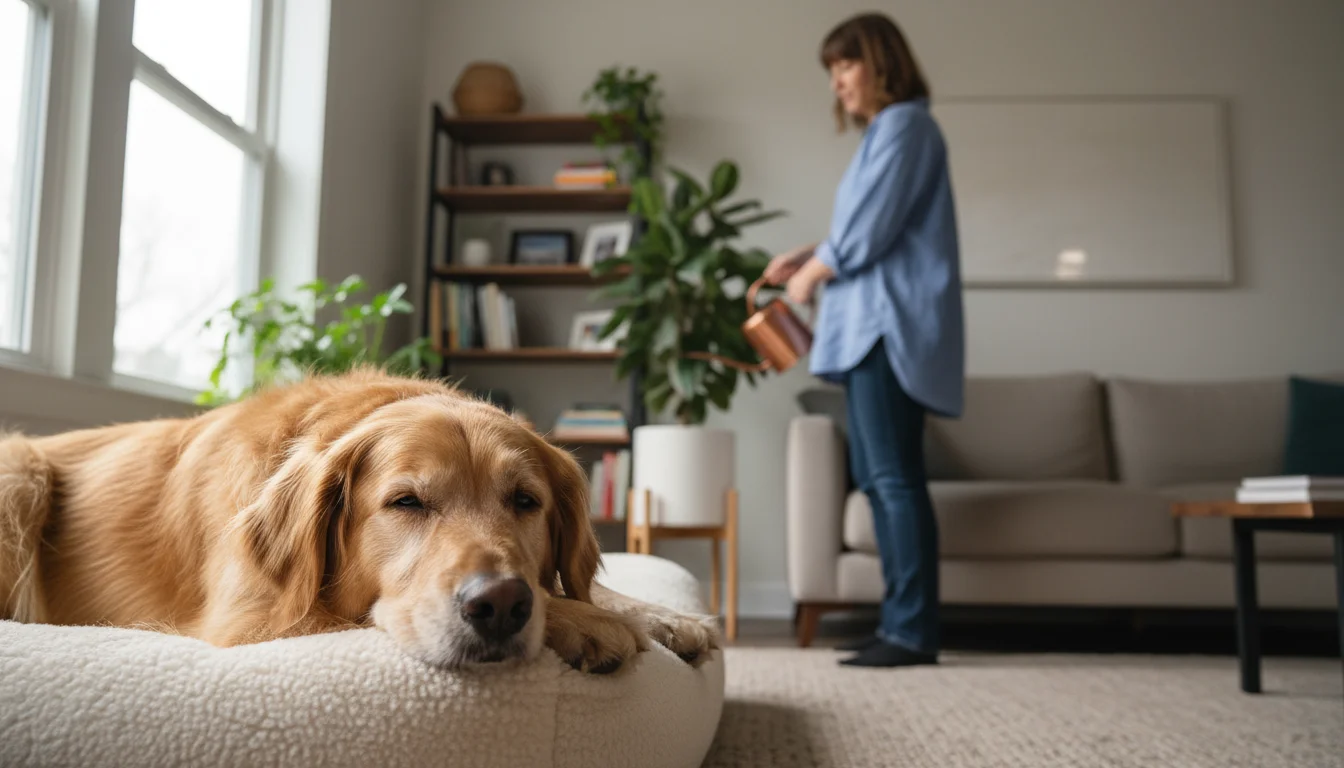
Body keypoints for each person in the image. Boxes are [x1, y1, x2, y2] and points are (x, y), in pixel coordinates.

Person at [765, 12, 964, 668]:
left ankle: (911, 632)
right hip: (869, 329)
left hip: (885, 328)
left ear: (880, 60)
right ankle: (901, 624)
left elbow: (868, 233)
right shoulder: (889, 133)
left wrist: (812, 275)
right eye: (832, 71)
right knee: (883, 481)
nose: (837, 84)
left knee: (892, 479)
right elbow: (865, 230)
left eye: (844, 66)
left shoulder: (906, 125)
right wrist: (807, 256)